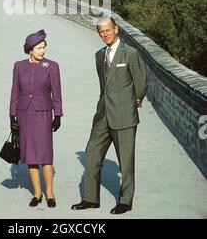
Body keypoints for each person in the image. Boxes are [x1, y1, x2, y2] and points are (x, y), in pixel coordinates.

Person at [71, 17, 147, 215]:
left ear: (116, 29)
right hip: (103, 114)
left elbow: (141, 83)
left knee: (126, 161)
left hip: (124, 115)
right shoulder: (99, 55)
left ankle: (125, 200)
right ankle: (90, 198)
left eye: (108, 30)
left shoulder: (130, 54)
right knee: (92, 154)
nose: (105, 34)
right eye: (101, 32)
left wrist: (133, 103)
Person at [9, 30, 63, 208]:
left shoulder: (52, 66)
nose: (43, 51)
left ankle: (50, 193)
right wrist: (12, 115)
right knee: (30, 155)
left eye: (44, 47)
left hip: (43, 114)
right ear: (30, 49)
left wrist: (58, 115)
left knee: (46, 155)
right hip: (24, 114)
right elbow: (15, 92)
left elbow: (57, 92)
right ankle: (37, 193)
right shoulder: (19, 66)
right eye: (39, 48)